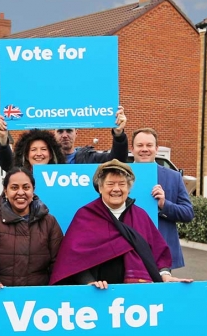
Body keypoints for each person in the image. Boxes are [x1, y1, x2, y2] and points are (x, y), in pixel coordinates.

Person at [49, 159, 192, 287]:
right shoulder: (85, 215)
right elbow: (72, 259)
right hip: (97, 293)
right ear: (100, 188)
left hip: (137, 295)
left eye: (122, 184)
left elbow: (159, 252)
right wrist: (89, 282)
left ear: (129, 189)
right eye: (110, 184)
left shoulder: (140, 216)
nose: (116, 189)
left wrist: (165, 275)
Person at [0, 167, 63, 288]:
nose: (20, 192)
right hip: (1, 296)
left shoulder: (49, 222)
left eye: (26, 187)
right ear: (5, 191)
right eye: (14, 187)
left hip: (41, 301)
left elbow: (60, 263)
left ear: (33, 190)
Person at [131, 127, 194, 268]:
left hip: (162, 255)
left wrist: (164, 204)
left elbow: (188, 213)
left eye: (149, 145)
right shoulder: (120, 175)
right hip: (129, 252)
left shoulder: (173, 177)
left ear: (157, 148)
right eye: (140, 145)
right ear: (132, 149)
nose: (144, 149)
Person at [54, 106, 128, 164]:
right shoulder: (47, 159)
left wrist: (119, 135)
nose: (64, 135)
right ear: (54, 134)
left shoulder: (89, 158)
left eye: (69, 131)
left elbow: (117, 161)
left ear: (76, 133)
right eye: (60, 131)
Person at [0, 129, 66, 172]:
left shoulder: (62, 176)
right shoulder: (19, 175)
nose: (39, 154)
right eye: (33, 149)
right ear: (27, 156)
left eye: (43, 149)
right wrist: (3, 139)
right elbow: (7, 163)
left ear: (50, 155)